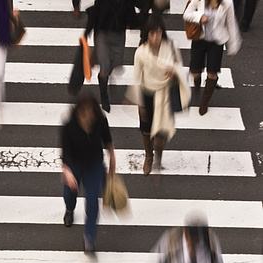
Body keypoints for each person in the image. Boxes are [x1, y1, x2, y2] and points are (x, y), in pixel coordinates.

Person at [133, 15, 191, 175]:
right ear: (147, 34)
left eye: (158, 33)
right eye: (152, 33)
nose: (155, 37)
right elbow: (137, 79)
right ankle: (148, 156)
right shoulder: (140, 53)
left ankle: (157, 156)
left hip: (165, 94)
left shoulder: (171, 47)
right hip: (147, 94)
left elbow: (180, 66)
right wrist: (140, 104)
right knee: (146, 130)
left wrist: (175, 72)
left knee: (160, 133)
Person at [61, 94, 116, 255]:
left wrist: (112, 158)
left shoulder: (100, 121)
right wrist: (67, 171)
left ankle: (89, 239)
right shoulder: (69, 126)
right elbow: (65, 152)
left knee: (92, 201)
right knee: (70, 193)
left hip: (94, 165)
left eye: (90, 113)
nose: (88, 118)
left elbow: (108, 140)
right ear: (77, 113)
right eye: (84, 114)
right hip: (74, 164)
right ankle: (69, 209)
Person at [85, 0, 145, 112]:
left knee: (115, 63)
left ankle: (106, 74)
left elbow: (140, 5)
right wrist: (86, 33)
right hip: (102, 35)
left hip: (119, 36)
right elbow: (95, 13)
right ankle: (104, 96)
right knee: (105, 65)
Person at [183, 0, 241, 115]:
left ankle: (205, 101)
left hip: (216, 42)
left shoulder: (227, 3)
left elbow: (231, 24)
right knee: (195, 72)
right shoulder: (199, 0)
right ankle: (197, 84)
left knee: (212, 73)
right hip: (199, 39)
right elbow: (186, 14)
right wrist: (200, 16)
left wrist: (233, 46)